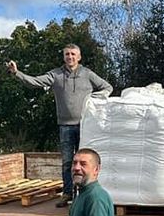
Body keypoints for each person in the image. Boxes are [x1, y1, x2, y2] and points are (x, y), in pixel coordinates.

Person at [6, 45, 112, 206]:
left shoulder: (87, 74)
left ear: (79, 57)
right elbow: (34, 81)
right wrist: (16, 73)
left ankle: (85, 193)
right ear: (64, 57)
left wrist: (93, 98)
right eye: (67, 54)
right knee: (68, 161)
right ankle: (68, 193)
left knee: (86, 161)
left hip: (85, 126)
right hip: (65, 126)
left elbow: (107, 87)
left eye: (73, 54)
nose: (70, 57)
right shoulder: (56, 75)